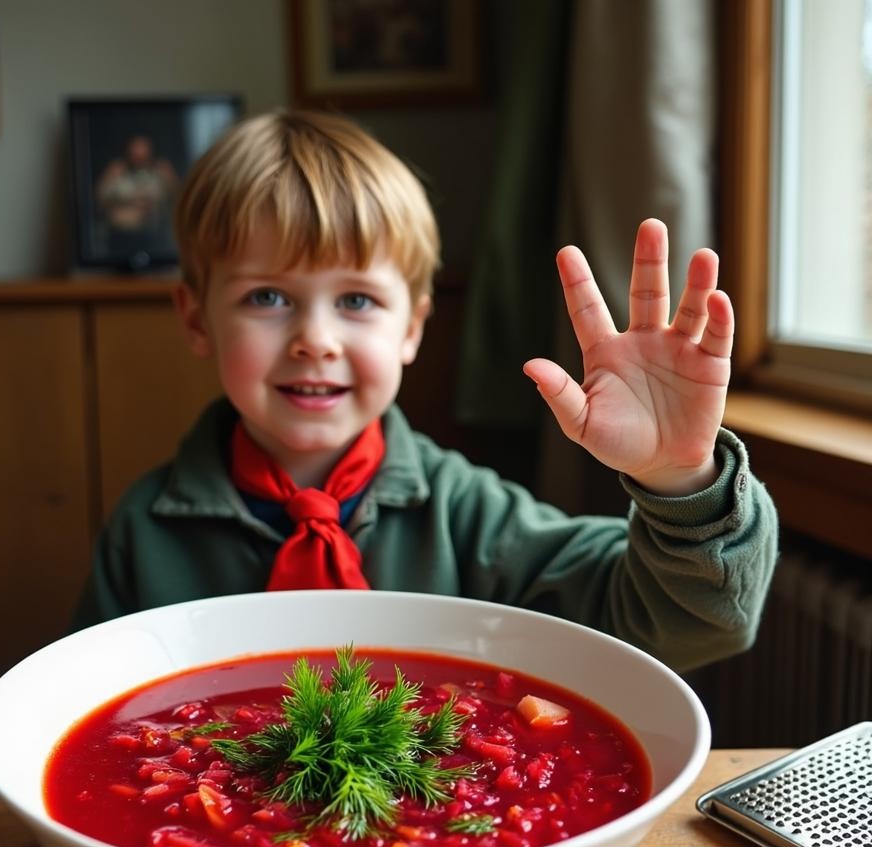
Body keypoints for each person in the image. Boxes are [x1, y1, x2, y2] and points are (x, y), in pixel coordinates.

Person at [72, 109, 778, 673]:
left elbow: (682, 628)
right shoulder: (143, 532)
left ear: (412, 327)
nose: (315, 339)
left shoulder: (471, 515)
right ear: (197, 318)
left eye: (355, 302)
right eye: (267, 296)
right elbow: (94, 703)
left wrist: (679, 476)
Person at [95, 133, 179, 261]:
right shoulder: (117, 171)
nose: (139, 154)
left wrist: (170, 179)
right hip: (120, 237)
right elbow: (100, 200)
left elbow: (178, 200)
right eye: (135, 149)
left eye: (143, 149)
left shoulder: (160, 172)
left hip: (154, 238)